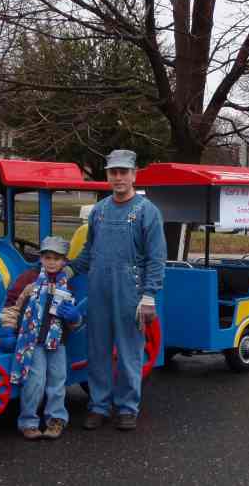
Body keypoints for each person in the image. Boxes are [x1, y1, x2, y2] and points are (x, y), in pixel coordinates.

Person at [68, 149, 166, 431]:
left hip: (131, 292)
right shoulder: (99, 211)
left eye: (124, 172)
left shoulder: (148, 212)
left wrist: (149, 295)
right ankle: (99, 406)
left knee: (128, 352)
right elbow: (89, 251)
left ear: (134, 175)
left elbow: (156, 258)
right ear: (108, 175)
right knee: (97, 350)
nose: (119, 177)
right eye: (114, 172)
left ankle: (126, 408)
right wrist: (69, 270)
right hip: (98, 289)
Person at [4, 236, 82, 440]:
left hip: (57, 341)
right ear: (41, 258)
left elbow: (73, 322)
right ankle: (28, 421)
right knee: (35, 381)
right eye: (48, 257)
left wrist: (74, 317)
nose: (52, 262)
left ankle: (56, 419)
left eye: (57, 258)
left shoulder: (66, 285)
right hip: (33, 340)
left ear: (64, 261)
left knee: (58, 381)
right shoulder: (28, 280)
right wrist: (8, 329)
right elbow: (13, 305)